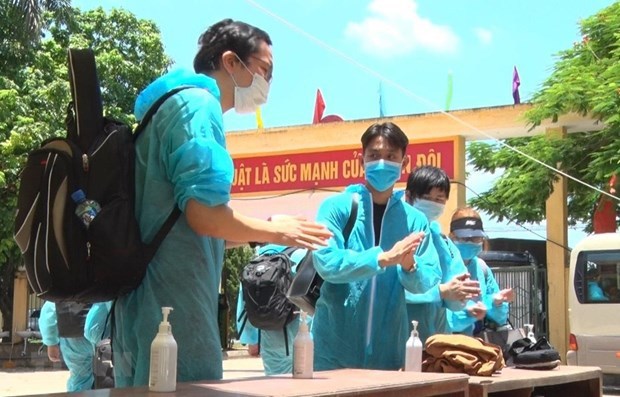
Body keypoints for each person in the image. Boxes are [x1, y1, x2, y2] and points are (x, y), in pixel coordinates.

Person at [112, 19, 331, 387]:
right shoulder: (198, 107)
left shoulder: (167, 108)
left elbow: (188, 225)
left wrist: (261, 232)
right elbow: (203, 216)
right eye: (264, 70)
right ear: (231, 61)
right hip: (175, 298)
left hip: (146, 295)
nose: (267, 84)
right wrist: (278, 229)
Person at [311, 122, 442, 371]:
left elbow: (428, 279)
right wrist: (381, 259)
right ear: (362, 160)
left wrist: (409, 266)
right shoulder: (336, 207)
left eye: (391, 156)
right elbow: (326, 261)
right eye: (374, 155)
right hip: (332, 354)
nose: (382, 162)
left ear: (404, 163)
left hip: (388, 357)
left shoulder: (415, 220)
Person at [404, 166, 481, 343]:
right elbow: (388, 290)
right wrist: (441, 291)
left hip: (437, 341)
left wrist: (460, 294)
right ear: (409, 197)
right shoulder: (394, 235)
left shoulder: (444, 244)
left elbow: (454, 300)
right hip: (397, 339)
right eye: (426, 198)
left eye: (438, 199)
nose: (432, 204)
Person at [235, 244, 309, 375]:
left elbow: (245, 301)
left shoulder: (257, 260)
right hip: (305, 334)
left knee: (276, 387)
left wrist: (251, 340)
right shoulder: (304, 256)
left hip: (270, 337)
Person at [447, 207, 514, 335]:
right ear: (451, 237)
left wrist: (497, 302)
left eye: (476, 239)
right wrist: (468, 313)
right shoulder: (441, 265)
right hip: (444, 344)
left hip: (476, 343)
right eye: (465, 239)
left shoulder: (481, 267)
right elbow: (441, 316)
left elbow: (500, 318)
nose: (470, 243)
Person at [39, 302, 96, 392]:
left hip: (74, 337)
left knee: (80, 377)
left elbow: (49, 313)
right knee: (108, 373)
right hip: (98, 333)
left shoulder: (62, 288)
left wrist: (51, 343)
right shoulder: (95, 287)